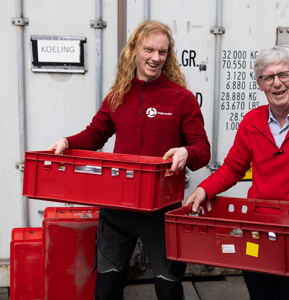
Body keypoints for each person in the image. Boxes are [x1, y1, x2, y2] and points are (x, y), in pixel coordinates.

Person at [48, 20, 210, 300]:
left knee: (168, 287)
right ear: (134, 50)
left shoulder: (182, 99)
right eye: (149, 49)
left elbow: (202, 149)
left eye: (162, 52)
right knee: (107, 288)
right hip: (117, 209)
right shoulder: (118, 95)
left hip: (161, 210)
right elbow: (94, 135)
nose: (155, 58)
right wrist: (67, 142)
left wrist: (186, 152)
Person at [184, 45, 289, 300]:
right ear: (260, 84)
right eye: (268, 77)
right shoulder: (251, 123)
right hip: (259, 235)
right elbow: (233, 168)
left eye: (283, 75)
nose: (277, 84)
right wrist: (203, 189)